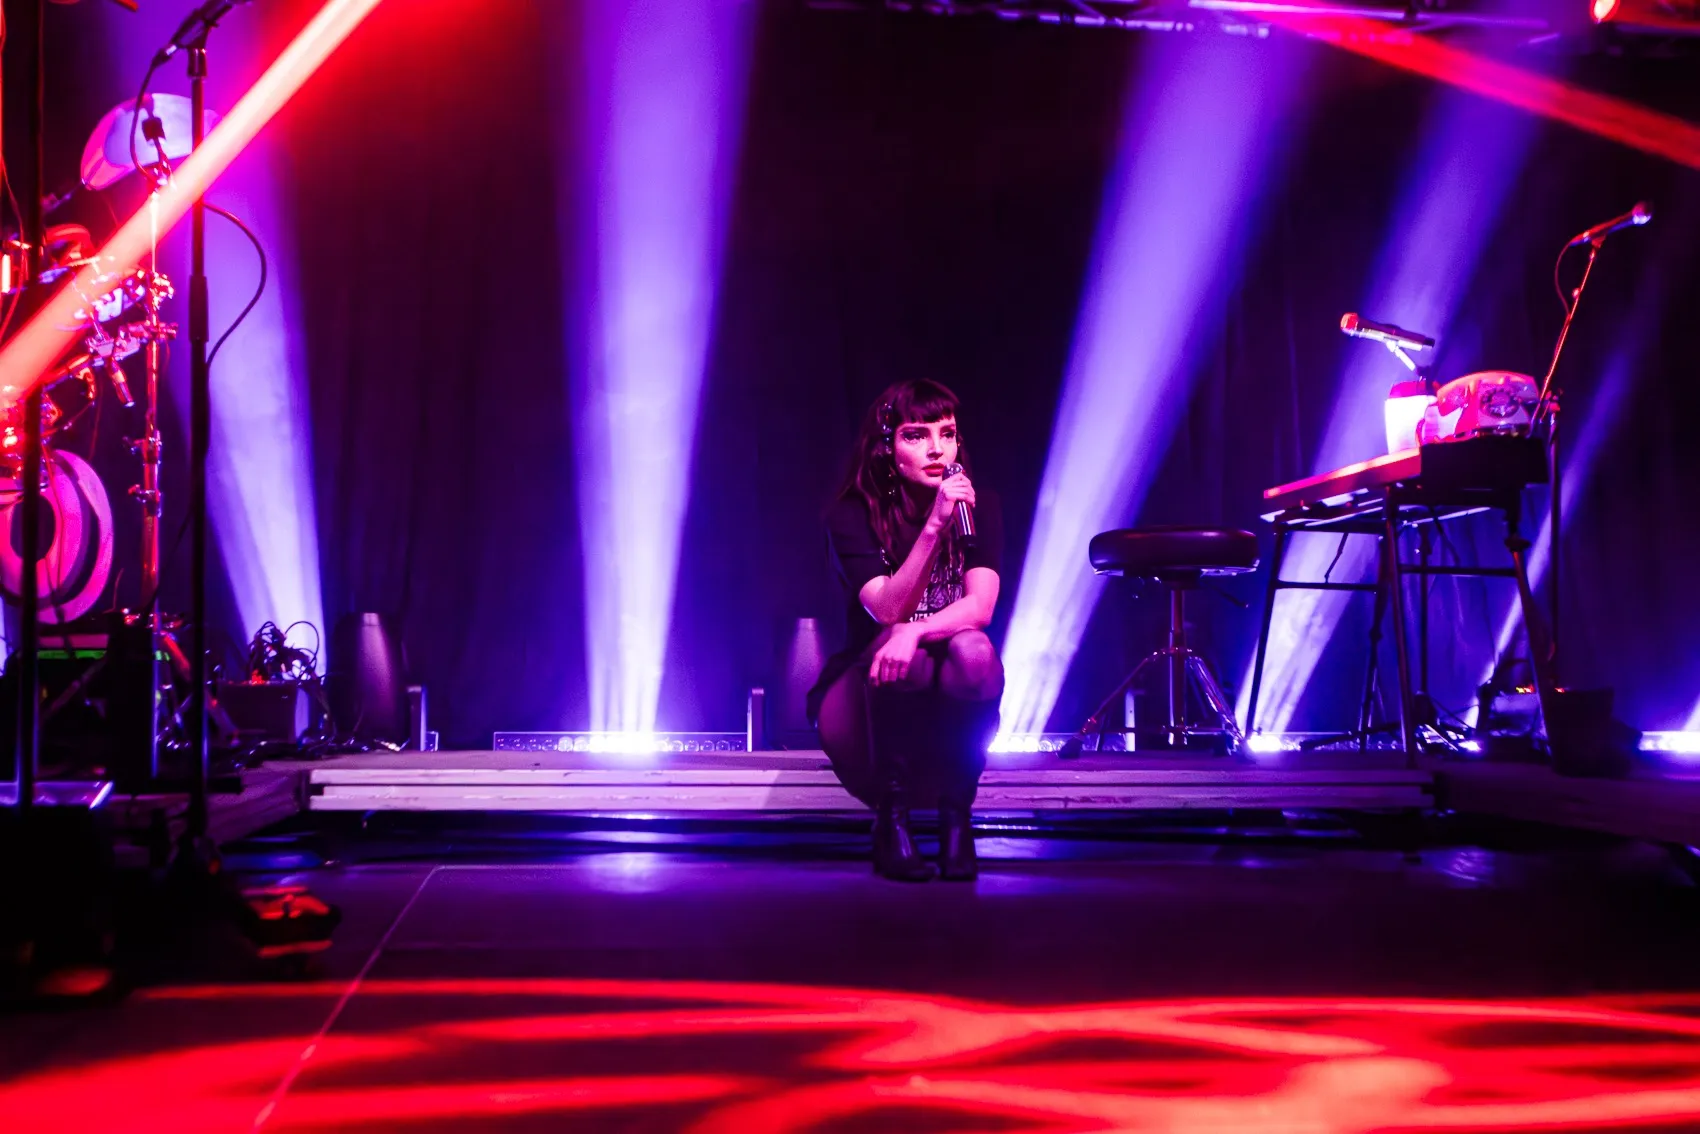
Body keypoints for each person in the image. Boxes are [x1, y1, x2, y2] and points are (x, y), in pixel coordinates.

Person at [808, 379, 1004, 882]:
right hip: (866, 688)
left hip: (944, 681)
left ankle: (957, 818)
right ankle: (891, 821)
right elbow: (888, 610)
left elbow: (980, 608)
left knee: (975, 651)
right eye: (917, 435)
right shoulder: (852, 513)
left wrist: (914, 632)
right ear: (887, 448)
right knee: (905, 656)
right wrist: (934, 527)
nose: (938, 449)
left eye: (948, 433)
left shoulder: (978, 506)